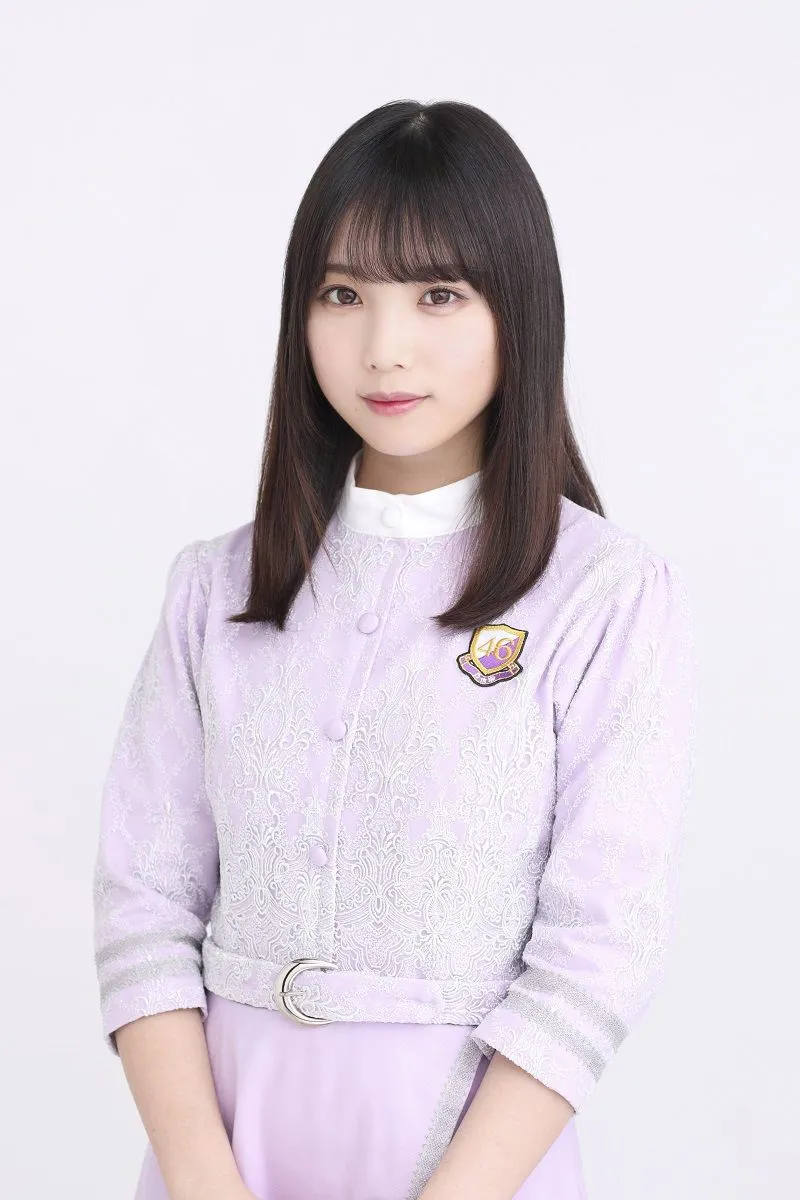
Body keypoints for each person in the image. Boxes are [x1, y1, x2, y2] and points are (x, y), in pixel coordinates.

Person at [92, 98, 698, 1200]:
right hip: (222, 1150)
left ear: (519, 308)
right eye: (342, 294)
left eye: (438, 295)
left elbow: (599, 947)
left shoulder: (602, 593)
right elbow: (144, 903)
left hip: (470, 1161)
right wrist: (199, 1175)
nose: (384, 347)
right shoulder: (214, 590)